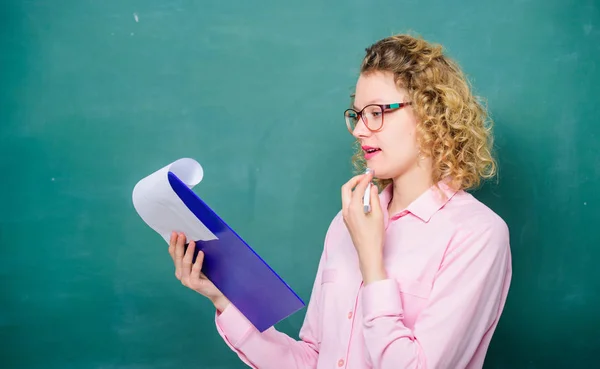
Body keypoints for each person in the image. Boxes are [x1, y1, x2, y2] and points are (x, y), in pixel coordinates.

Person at [168, 33, 512, 369]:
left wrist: (371, 261)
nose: (360, 130)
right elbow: (314, 358)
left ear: (429, 114)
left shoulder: (477, 235)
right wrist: (223, 298)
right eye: (358, 114)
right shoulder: (348, 220)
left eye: (376, 112)